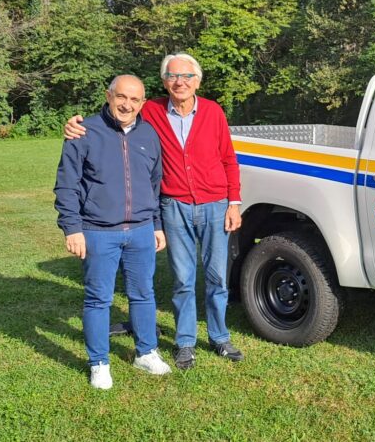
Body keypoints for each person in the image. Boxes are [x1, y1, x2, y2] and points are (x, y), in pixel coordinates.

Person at [64, 54, 244, 370]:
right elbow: (116, 113)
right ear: (164, 82)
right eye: (173, 76)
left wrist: (234, 202)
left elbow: (228, 158)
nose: (180, 82)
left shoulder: (213, 111)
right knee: (183, 279)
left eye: (187, 76)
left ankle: (219, 336)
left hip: (215, 204)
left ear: (198, 81)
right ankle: (185, 343)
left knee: (217, 277)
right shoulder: (152, 110)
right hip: (174, 205)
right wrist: (73, 124)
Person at [54, 75, 172, 389]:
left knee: (143, 294)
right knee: (98, 299)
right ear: (109, 96)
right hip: (97, 231)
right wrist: (72, 228)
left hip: (141, 230)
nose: (127, 105)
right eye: (121, 97)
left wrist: (157, 225)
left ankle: (146, 352)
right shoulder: (84, 131)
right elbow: (66, 185)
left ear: (142, 103)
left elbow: (154, 183)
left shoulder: (149, 134)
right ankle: (99, 363)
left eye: (134, 100)